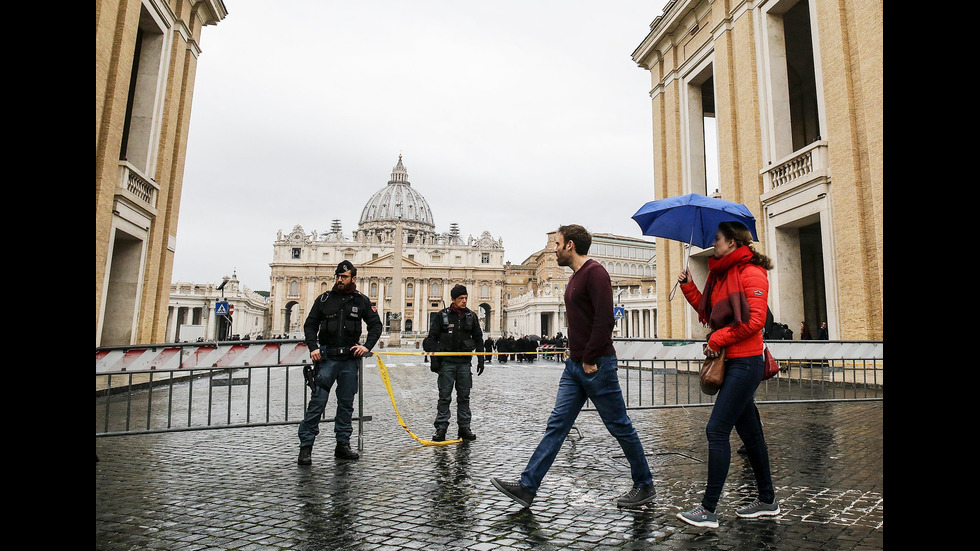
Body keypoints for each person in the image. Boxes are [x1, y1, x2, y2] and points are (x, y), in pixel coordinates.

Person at [491, 224, 656, 509]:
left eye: (556, 244)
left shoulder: (596, 273)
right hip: (574, 366)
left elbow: (605, 319)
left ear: (570, 245)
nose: (553, 249)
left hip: (596, 364)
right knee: (557, 425)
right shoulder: (576, 277)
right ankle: (528, 486)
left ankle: (644, 484)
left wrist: (590, 358)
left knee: (619, 426)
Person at [674, 221, 779, 528]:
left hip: (745, 363)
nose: (714, 243)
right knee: (751, 434)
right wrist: (689, 286)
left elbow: (756, 321)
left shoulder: (750, 273)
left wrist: (718, 339)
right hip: (731, 362)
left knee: (716, 430)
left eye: (718, 239)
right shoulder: (721, 274)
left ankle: (708, 509)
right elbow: (708, 314)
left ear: (732, 241)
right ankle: (768, 500)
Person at [297, 260, 383, 464]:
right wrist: (313, 347)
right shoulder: (324, 299)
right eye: (338, 276)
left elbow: (375, 325)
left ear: (353, 278)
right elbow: (310, 325)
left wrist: (367, 347)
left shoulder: (361, 301)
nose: (340, 279)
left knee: (346, 404)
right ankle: (306, 446)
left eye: (344, 277)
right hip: (327, 357)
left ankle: (343, 444)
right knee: (317, 402)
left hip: (349, 359)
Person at [427, 284, 486, 442]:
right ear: (453, 299)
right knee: (444, 397)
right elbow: (432, 338)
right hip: (447, 363)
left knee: (464, 397)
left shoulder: (471, 316)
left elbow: (478, 338)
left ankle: (464, 427)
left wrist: (481, 359)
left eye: (466, 298)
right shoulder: (442, 316)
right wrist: (434, 359)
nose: (464, 301)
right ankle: (441, 428)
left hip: (464, 363)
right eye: (461, 298)